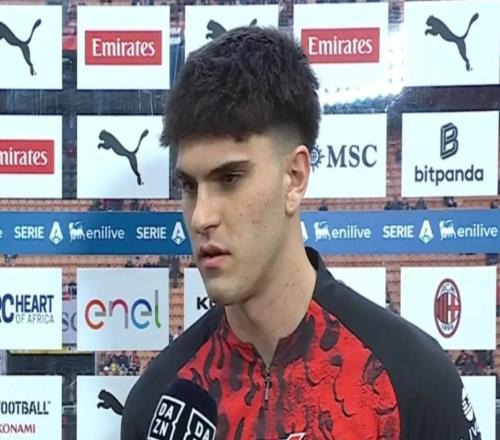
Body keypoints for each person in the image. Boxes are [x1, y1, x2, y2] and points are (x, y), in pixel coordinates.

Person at [121, 26, 481, 439]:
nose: (201, 216)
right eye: (189, 186)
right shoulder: (158, 405)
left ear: (294, 178)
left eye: (229, 178)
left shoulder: (412, 381)